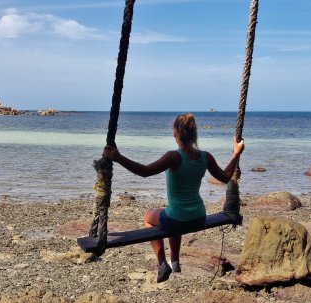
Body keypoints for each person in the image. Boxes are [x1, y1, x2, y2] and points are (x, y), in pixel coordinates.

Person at [103, 113, 245, 283]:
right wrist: (236, 155)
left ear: (175, 133)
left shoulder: (173, 156)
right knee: (171, 215)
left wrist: (118, 158)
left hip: (178, 219)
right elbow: (225, 177)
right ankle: (175, 262)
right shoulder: (205, 157)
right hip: (199, 217)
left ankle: (162, 263)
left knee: (149, 216)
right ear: (194, 135)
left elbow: (145, 172)